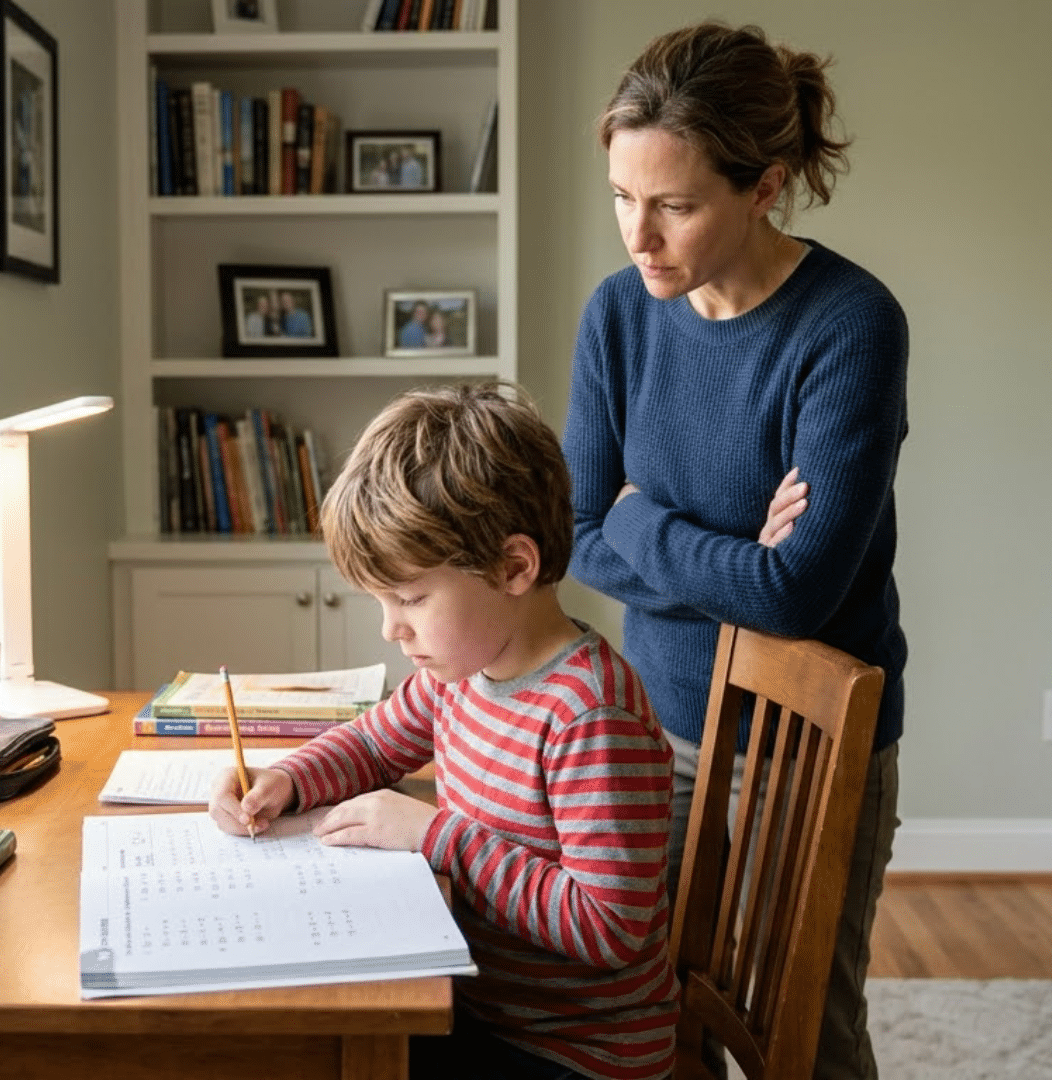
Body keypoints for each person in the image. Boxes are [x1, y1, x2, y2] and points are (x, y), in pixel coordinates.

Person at [563, 19, 908, 1080]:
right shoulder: (619, 316)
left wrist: (642, 520)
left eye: (675, 204)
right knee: (653, 1015)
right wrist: (726, 563)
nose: (639, 235)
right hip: (659, 724)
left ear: (763, 187)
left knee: (800, 1040)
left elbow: (796, 593)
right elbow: (575, 536)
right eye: (624, 196)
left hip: (804, 746)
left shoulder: (849, 324)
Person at [212, 382, 679, 1080]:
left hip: (576, 1054)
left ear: (514, 567)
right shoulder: (459, 673)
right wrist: (286, 778)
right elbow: (372, 744)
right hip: (483, 1006)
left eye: (411, 598)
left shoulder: (590, 716)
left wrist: (436, 837)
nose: (390, 628)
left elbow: (607, 929)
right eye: (382, 600)